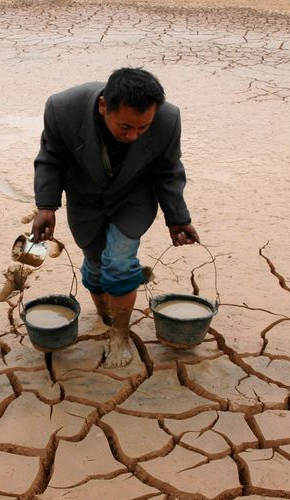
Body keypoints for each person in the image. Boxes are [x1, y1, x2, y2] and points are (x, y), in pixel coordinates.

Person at [31, 67, 199, 368]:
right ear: (103, 106)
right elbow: (51, 159)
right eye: (125, 127)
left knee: (119, 265)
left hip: (133, 197)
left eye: (143, 129)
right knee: (95, 270)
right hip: (86, 198)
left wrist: (177, 218)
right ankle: (107, 314)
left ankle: (119, 333)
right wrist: (46, 207)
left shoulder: (167, 119)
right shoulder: (62, 109)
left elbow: (168, 171)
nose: (133, 136)